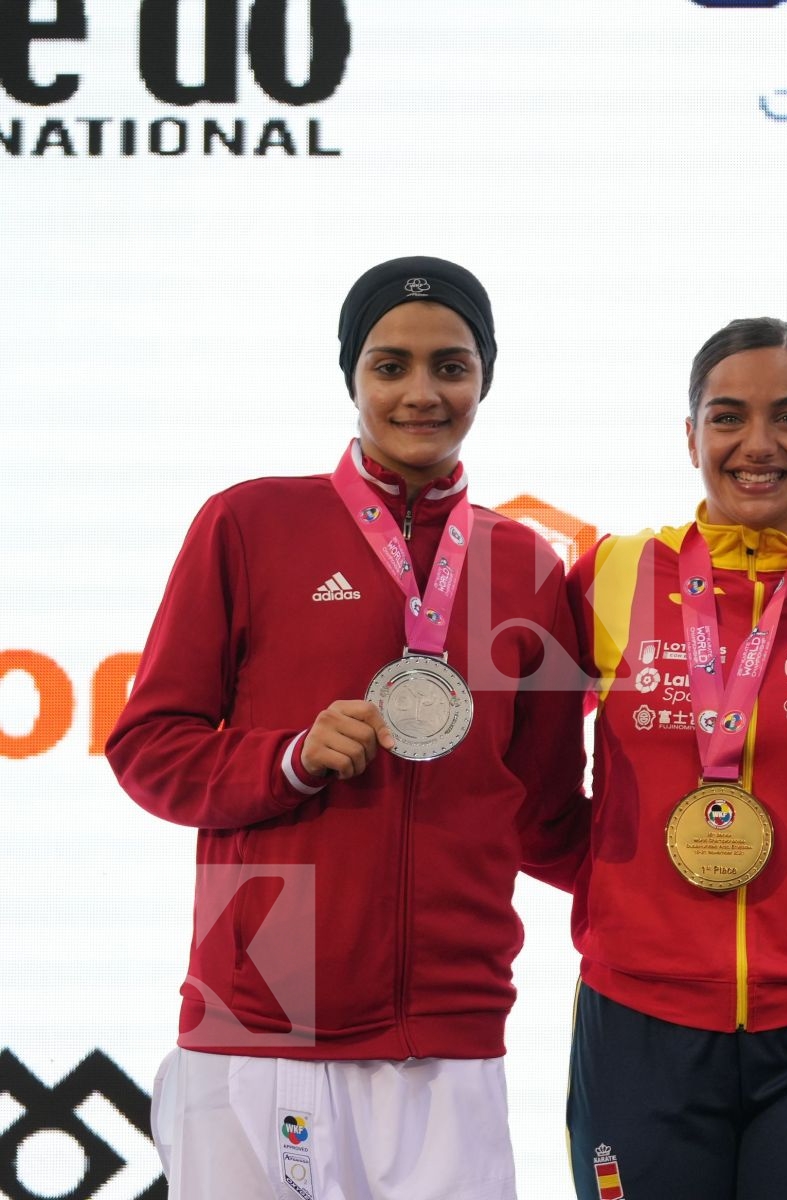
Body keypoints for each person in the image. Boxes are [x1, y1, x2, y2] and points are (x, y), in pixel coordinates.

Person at [106, 256, 586, 1200]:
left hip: (448, 1029)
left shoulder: (526, 564)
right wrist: (286, 758)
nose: (421, 392)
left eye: (451, 366)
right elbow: (148, 747)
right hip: (264, 1018)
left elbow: (546, 817)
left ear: (484, 377)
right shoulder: (249, 523)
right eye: (389, 365)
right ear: (351, 376)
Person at [563, 317, 787, 1200]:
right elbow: (531, 787)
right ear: (690, 436)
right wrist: (621, 887)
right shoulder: (611, 573)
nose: (757, 445)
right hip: (641, 1016)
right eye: (727, 418)